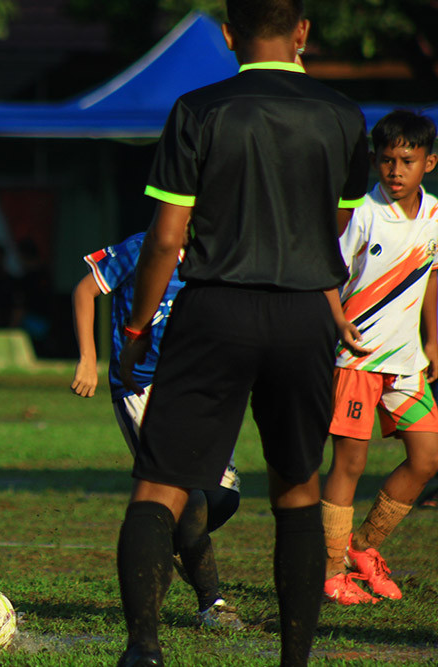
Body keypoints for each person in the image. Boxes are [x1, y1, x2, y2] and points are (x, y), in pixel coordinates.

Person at [113, 1, 369, 665]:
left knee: (161, 484)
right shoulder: (343, 115)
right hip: (302, 313)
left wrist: (138, 324)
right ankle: (293, 660)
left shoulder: (198, 110)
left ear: (228, 34)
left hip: (214, 309)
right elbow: (334, 228)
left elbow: (166, 238)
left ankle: (143, 647)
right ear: (303, 31)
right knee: (297, 486)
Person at [71, 232, 242, 630]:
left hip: (194, 386)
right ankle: (211, 605)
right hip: (141, 388)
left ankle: (163, 538)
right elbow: (84, 291)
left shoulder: (222, 250)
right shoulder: (143, 247)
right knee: (191, 495)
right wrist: (87, 357)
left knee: (224, 497)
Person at [320, 110, 438, 605]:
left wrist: (433, 341)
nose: (395, 171)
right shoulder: (362, 214)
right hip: (356, 360)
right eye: (387, 161)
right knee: (350, 462)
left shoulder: (433, 214)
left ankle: (362, 548)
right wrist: (338, 321)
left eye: (406, 161)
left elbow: (430, 274)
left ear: (428, 163)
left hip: (406, 362)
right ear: (373, 161)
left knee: (427, 457)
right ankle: (330, 574)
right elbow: (325, 270)